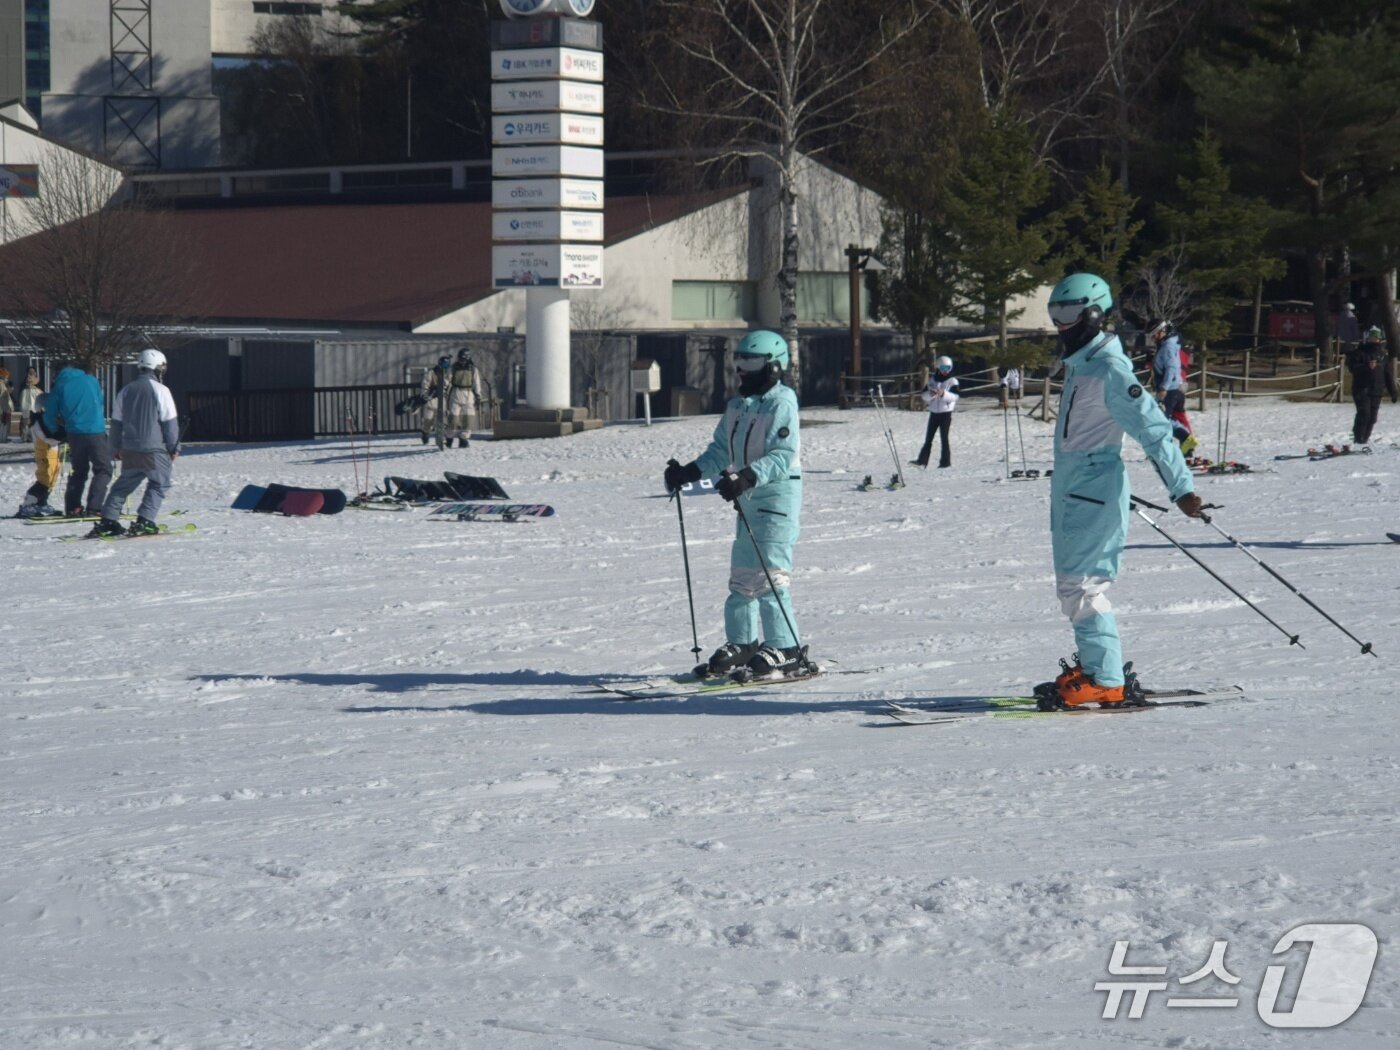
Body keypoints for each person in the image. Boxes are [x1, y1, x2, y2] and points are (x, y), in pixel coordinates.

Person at [1042, 273, 1202, 708]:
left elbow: (1153, 430)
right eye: (1054, 312)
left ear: (1093, 313)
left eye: (1069, 313)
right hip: (1074, 490)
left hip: (1092, 489)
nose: (1060, 323)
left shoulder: (1112, 370)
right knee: (1071, 586)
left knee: (1084, 586)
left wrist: (1181, 487)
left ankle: (1106, 677)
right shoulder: (1083, 363)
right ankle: (1095, 666)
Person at [663, 330, 806, 677]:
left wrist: (747, 476)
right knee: (743, 576)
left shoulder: (781, 402)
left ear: (773, 366)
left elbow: (783, 455)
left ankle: (786, 646)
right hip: (747, 499)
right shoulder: (738, 406)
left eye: (752, 360)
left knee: (771, 575)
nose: (742, 368)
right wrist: (690, 472)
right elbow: (720, 450)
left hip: (776, 495)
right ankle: (743, 643)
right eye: (739, 359)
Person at [89, 349, 180, 537]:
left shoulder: (125, 390)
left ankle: (108, 520)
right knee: (159, 483)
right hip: (152, 448)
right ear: (158, 368)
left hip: (130, 448)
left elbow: (116, 424)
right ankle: (145, 520)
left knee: (123, 486)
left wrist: (114, 448)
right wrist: (173, 447)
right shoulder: (161, 390)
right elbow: (170, 422)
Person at [43, 361, 111, 518]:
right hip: (96, 430)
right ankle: (94, 507)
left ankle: (73, 506)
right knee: (103, 469)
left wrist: (55, 430)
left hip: (74, 433)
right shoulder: (91, 380)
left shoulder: (60, 386)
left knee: (79, 470)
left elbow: (49, 414)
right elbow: (100, 401)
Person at [15, 392, 64, 518]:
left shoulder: (47, 420)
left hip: (53, 452)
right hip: (45, 453)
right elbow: (47, 438)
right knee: (44, 478)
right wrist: (60, 437)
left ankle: (41, 502)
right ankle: (28, 504)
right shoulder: (38, 421)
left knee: (52, 479)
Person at [1347, 326, 1398, 446]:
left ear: (1380, 340)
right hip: (1361, 388)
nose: (1373, 340)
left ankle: (1364, 439)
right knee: (1364, 413)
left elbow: (1388, 375)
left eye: (1376, 338)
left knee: (1372, 417)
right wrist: (1366, 367)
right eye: (1371, 338)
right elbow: (1352, 368)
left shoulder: (1383, 355)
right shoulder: (1359, 352)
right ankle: (1358, 438)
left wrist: (1393, 391)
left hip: (1377, 390)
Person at [911, 356, 958, 468]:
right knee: (929, 438)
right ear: (938, 367)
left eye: (947, 368)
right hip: (934, 413)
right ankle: (922, 461)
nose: (945, 370)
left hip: (946, 413)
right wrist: (930, 394)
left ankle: (945, 463)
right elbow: (924, 395)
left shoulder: (952, 381)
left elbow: (955, 397)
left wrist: (943, 394)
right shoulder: (932, 380)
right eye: (942, 368)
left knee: (944, 438)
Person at [1149, 320, 1192, 435]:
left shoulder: (1168, 346)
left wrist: (1164, 388)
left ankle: (1185, 437)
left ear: (1163, 331)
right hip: (1175, 389)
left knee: (1160, 421)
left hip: (1170, 391)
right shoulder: (1167, 345)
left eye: (1155, 334)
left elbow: (1172, 368)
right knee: (1174, 419)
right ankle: (1187, 447)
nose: (1153, 337)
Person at [444, 348, 483, 449]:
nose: (460, 360)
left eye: (462, 358)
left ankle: (463, 438)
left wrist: (478, 395)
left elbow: (476, 382)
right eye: (459, 358)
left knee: (468, 418)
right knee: (453, 418)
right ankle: (449, 437)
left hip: (469, 394)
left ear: (467, 358)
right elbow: (447, 379)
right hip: (456, 392)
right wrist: (443, 387)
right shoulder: (453, 368)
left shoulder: (473, 369)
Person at [419, 355, 452, 447]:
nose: (445, 366)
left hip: (442, 400)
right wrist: (425, 394)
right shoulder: (431, 373)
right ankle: (425, 433)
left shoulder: (448, 375)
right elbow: (425, 384)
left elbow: (450, 386)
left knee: (442, 421)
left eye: (447, 365)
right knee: (428, 421)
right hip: (431, 399)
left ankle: (442, 438)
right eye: (443, 364)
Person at [0, 367, 13, 442]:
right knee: (3, 423)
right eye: (6, 377)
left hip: (4, 407)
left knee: (4, 423)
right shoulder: (1, 384)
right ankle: (2, 438)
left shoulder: (3, 384)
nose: (7, 379)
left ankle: (3, 438)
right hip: (3, 408)